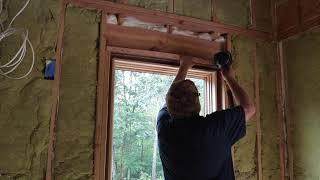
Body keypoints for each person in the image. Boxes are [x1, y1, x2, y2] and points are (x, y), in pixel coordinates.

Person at [157, 56, 256, 180]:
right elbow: (249, 108)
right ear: (197, 102)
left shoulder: (164, 130)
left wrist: (183, 67)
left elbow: (170, 100)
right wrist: (229, 77)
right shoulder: (214, 127)